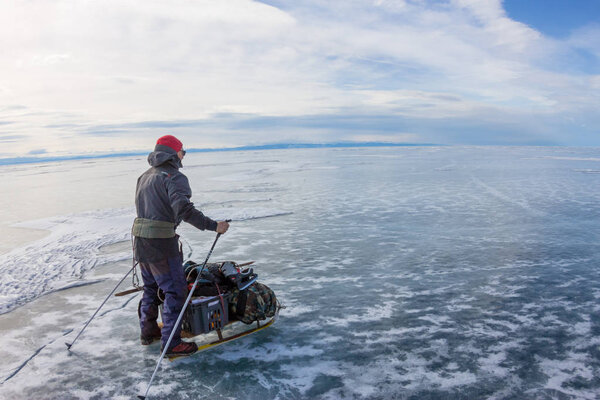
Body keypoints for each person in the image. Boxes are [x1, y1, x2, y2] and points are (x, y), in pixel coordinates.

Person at [132, 134, 229, 357]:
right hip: (161, 245)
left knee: (150, 288)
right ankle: (172, 343)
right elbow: (185, 211)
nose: (184, 156)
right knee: (175, 291)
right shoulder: (174, 177)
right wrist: (215, 226)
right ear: (174, 153)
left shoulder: (144, 176)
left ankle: (148, 332)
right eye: (183, 152)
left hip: (141, 243)